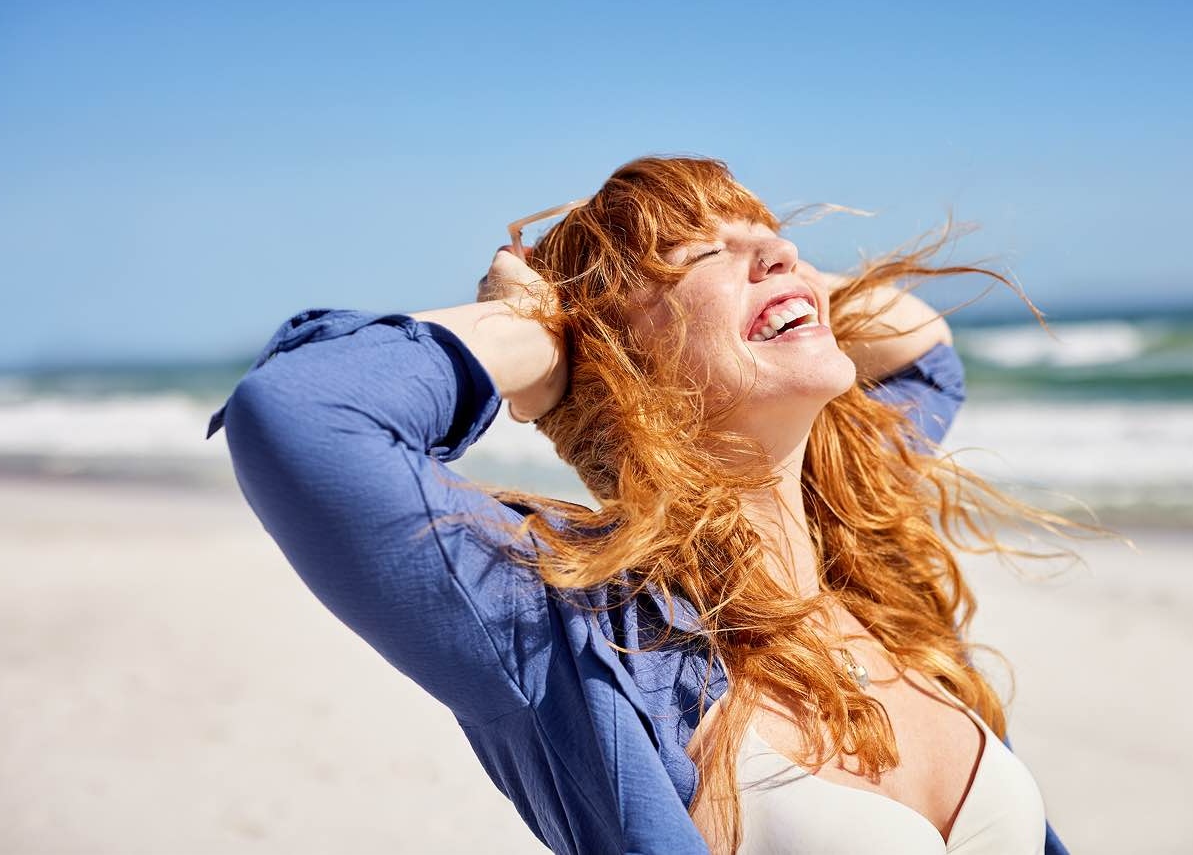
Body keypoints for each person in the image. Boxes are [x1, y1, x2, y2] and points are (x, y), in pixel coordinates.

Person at [207, 156, 1085, 854]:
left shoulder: (860, 548)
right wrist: (534, 330)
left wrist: (788, 293)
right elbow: (305, 416)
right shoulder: (568, 633)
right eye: (702, 253)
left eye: (773, 236)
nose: (778, 255)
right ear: (622, 359)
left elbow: (925, 353)